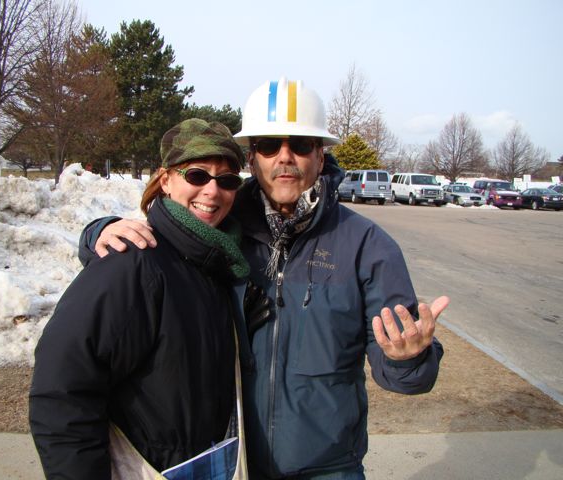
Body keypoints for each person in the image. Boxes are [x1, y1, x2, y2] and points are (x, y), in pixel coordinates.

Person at [79, 78, 449, 479]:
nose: (285, 157)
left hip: (328, 468)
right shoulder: (219, 222)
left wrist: (409, 358)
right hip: (233, 463)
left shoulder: (367, 246)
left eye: (301, 145)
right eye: (270, 145)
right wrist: (99, 231)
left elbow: (403, 376)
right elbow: (164, 234)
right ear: (253, 158)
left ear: (320, 156)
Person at [30, 118, 252, 480]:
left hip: (208, 464)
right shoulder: (133, 261)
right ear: (165, 179)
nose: (212, 191)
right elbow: (62, 390)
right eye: (197, 175)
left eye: (227, 180)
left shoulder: (218, 259)